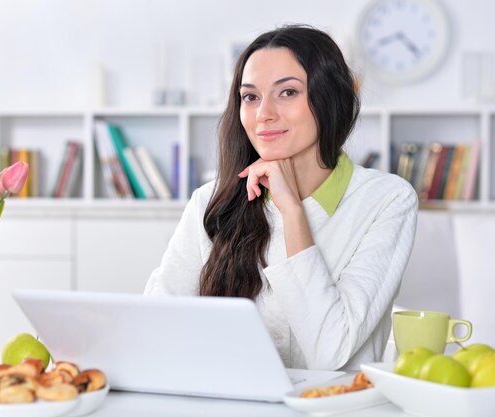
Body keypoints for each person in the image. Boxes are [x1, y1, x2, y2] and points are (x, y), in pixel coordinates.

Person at [144, 24, 418, 371]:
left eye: (287, 92)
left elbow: (329, 353)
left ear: (328, 98)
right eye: (250, 96)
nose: (263, 114)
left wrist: (292, 212)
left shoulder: (387, 200)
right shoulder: (209, 201)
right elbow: (157, 324)